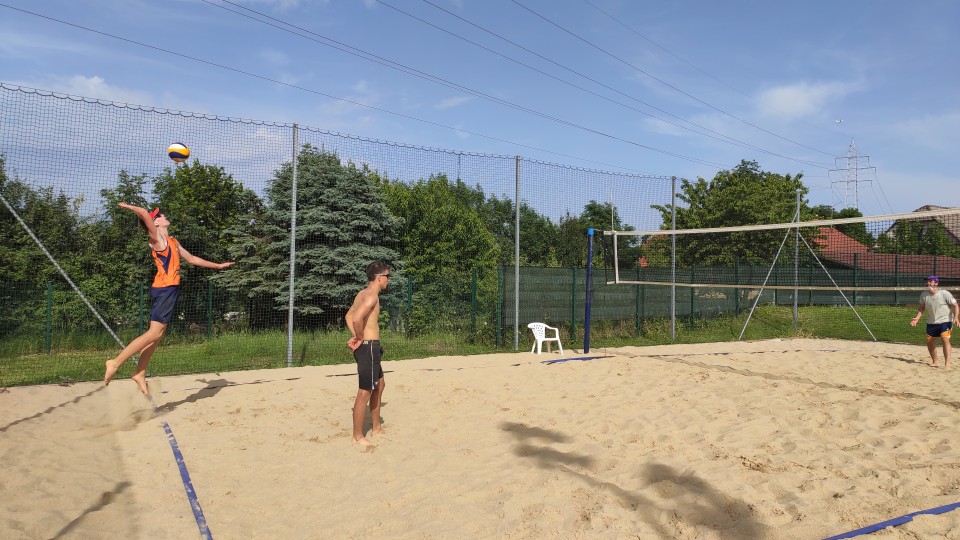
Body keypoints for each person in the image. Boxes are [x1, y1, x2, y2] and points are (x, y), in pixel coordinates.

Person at [104, 203, 234, 394]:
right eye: (158, 216)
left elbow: (192, 259)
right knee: (154, 333)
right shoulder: (157, 238)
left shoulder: (172, 240)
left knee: (158, 334)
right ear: (154, 224)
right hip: (164, 289)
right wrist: (128, 206)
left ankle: (140, 372)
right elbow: (142, 213)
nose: (163, 215)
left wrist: (218, 266)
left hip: (169, 289)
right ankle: (115, 363)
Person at [345, 261, 390, 447]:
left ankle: (376, 427)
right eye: (387, 276)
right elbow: (355, 319)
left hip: (370, 347)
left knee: (380, 384)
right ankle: (357, 436)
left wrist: (356, 336)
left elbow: (348, 316)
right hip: (369, 347)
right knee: (365, 391)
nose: (388, 280)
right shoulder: (371, 296)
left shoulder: (361, 294)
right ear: (379, 278)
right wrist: (361, 338)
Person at [910, 275, 960, 369]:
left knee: (945, 339)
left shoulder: (945, 293)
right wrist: (917, 318)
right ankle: (935, 361)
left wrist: (956, 317)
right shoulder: (924, 294)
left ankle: (947, 364)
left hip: (946, 320)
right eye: (927, 281)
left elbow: (956, 305)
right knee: (929, 341)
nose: (928, 283)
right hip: (932, 321)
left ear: (936, 283)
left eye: (930, 281)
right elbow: (922, 307)